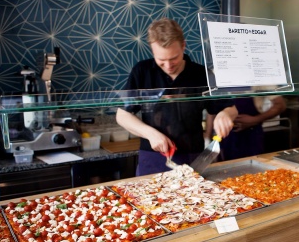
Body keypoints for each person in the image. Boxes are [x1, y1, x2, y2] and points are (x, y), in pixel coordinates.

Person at [116, 18, 238, 175]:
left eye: (174, 58)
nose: (168, 66)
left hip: (193, 157)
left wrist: (225, 114)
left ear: (183, 46)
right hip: (153, 157)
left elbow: (231, 109)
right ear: (153, 51)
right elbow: (122, 115)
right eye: (161, 60)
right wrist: (150, 134)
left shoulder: (202, 74)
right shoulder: (142, 71)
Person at [207, 95, 286, 160]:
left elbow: (280, 105)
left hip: (251, 136)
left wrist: (255, 119)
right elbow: (211, 110)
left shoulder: (258, 78)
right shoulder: (219, 79)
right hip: (227, 137)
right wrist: (207, 136)